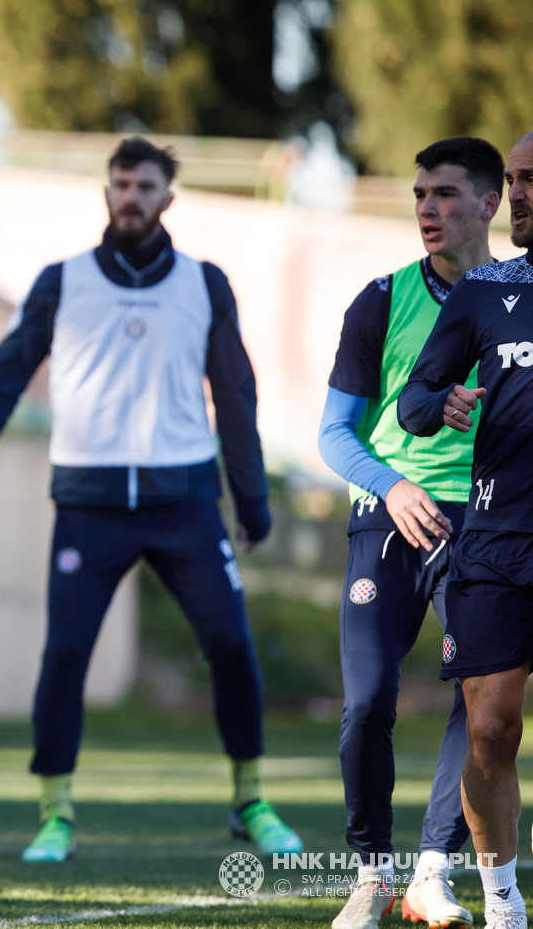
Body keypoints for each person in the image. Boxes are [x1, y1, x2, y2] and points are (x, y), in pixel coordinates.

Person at [0, 137, 301, 862]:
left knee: (230, 641)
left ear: (169, 198)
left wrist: (251, 502)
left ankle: (250, 796)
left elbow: (236, 395)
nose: (130, 196)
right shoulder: (61, 281)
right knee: (66, 652)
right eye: (120, 184)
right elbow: (2, 376)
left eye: (144, 185)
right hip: (89, 504)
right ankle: (55, 811)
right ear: (106, 194)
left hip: (186, 500)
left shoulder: (205, 283)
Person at [318, 138, 500, 929]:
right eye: (421, 194)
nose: (428, 208)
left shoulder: (518, 301)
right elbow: (333, 433)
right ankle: (371, 871)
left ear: (491, 204)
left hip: (492, 524)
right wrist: (390, 486)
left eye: (447, 194)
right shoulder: (381, 300)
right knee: (365, 705)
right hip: (387, 522)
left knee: (487, 704)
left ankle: (432, 870)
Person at [398, 130, 533, 929]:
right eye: (514, 179)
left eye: (532, 180)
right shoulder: (483, 291)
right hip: (494, 542)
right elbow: (415, 400)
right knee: (489, 725)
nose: (519, 194)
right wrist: (440, 405)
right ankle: (504, 899)